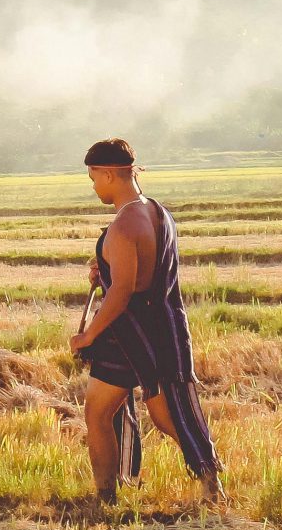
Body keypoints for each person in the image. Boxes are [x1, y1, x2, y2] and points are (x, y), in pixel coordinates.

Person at [67, 139, 225, 507]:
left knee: (163, 415)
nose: (93, 186)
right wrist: (103, 271)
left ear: (108, 173)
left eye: (93, 177)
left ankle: (114, 496)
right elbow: (137, 275)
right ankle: (112, 493)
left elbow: (123, 292)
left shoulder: (123, 226)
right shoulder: (156, 211)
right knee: (103, 409)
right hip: (163, 328)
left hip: (133, 334)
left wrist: (89, 333)